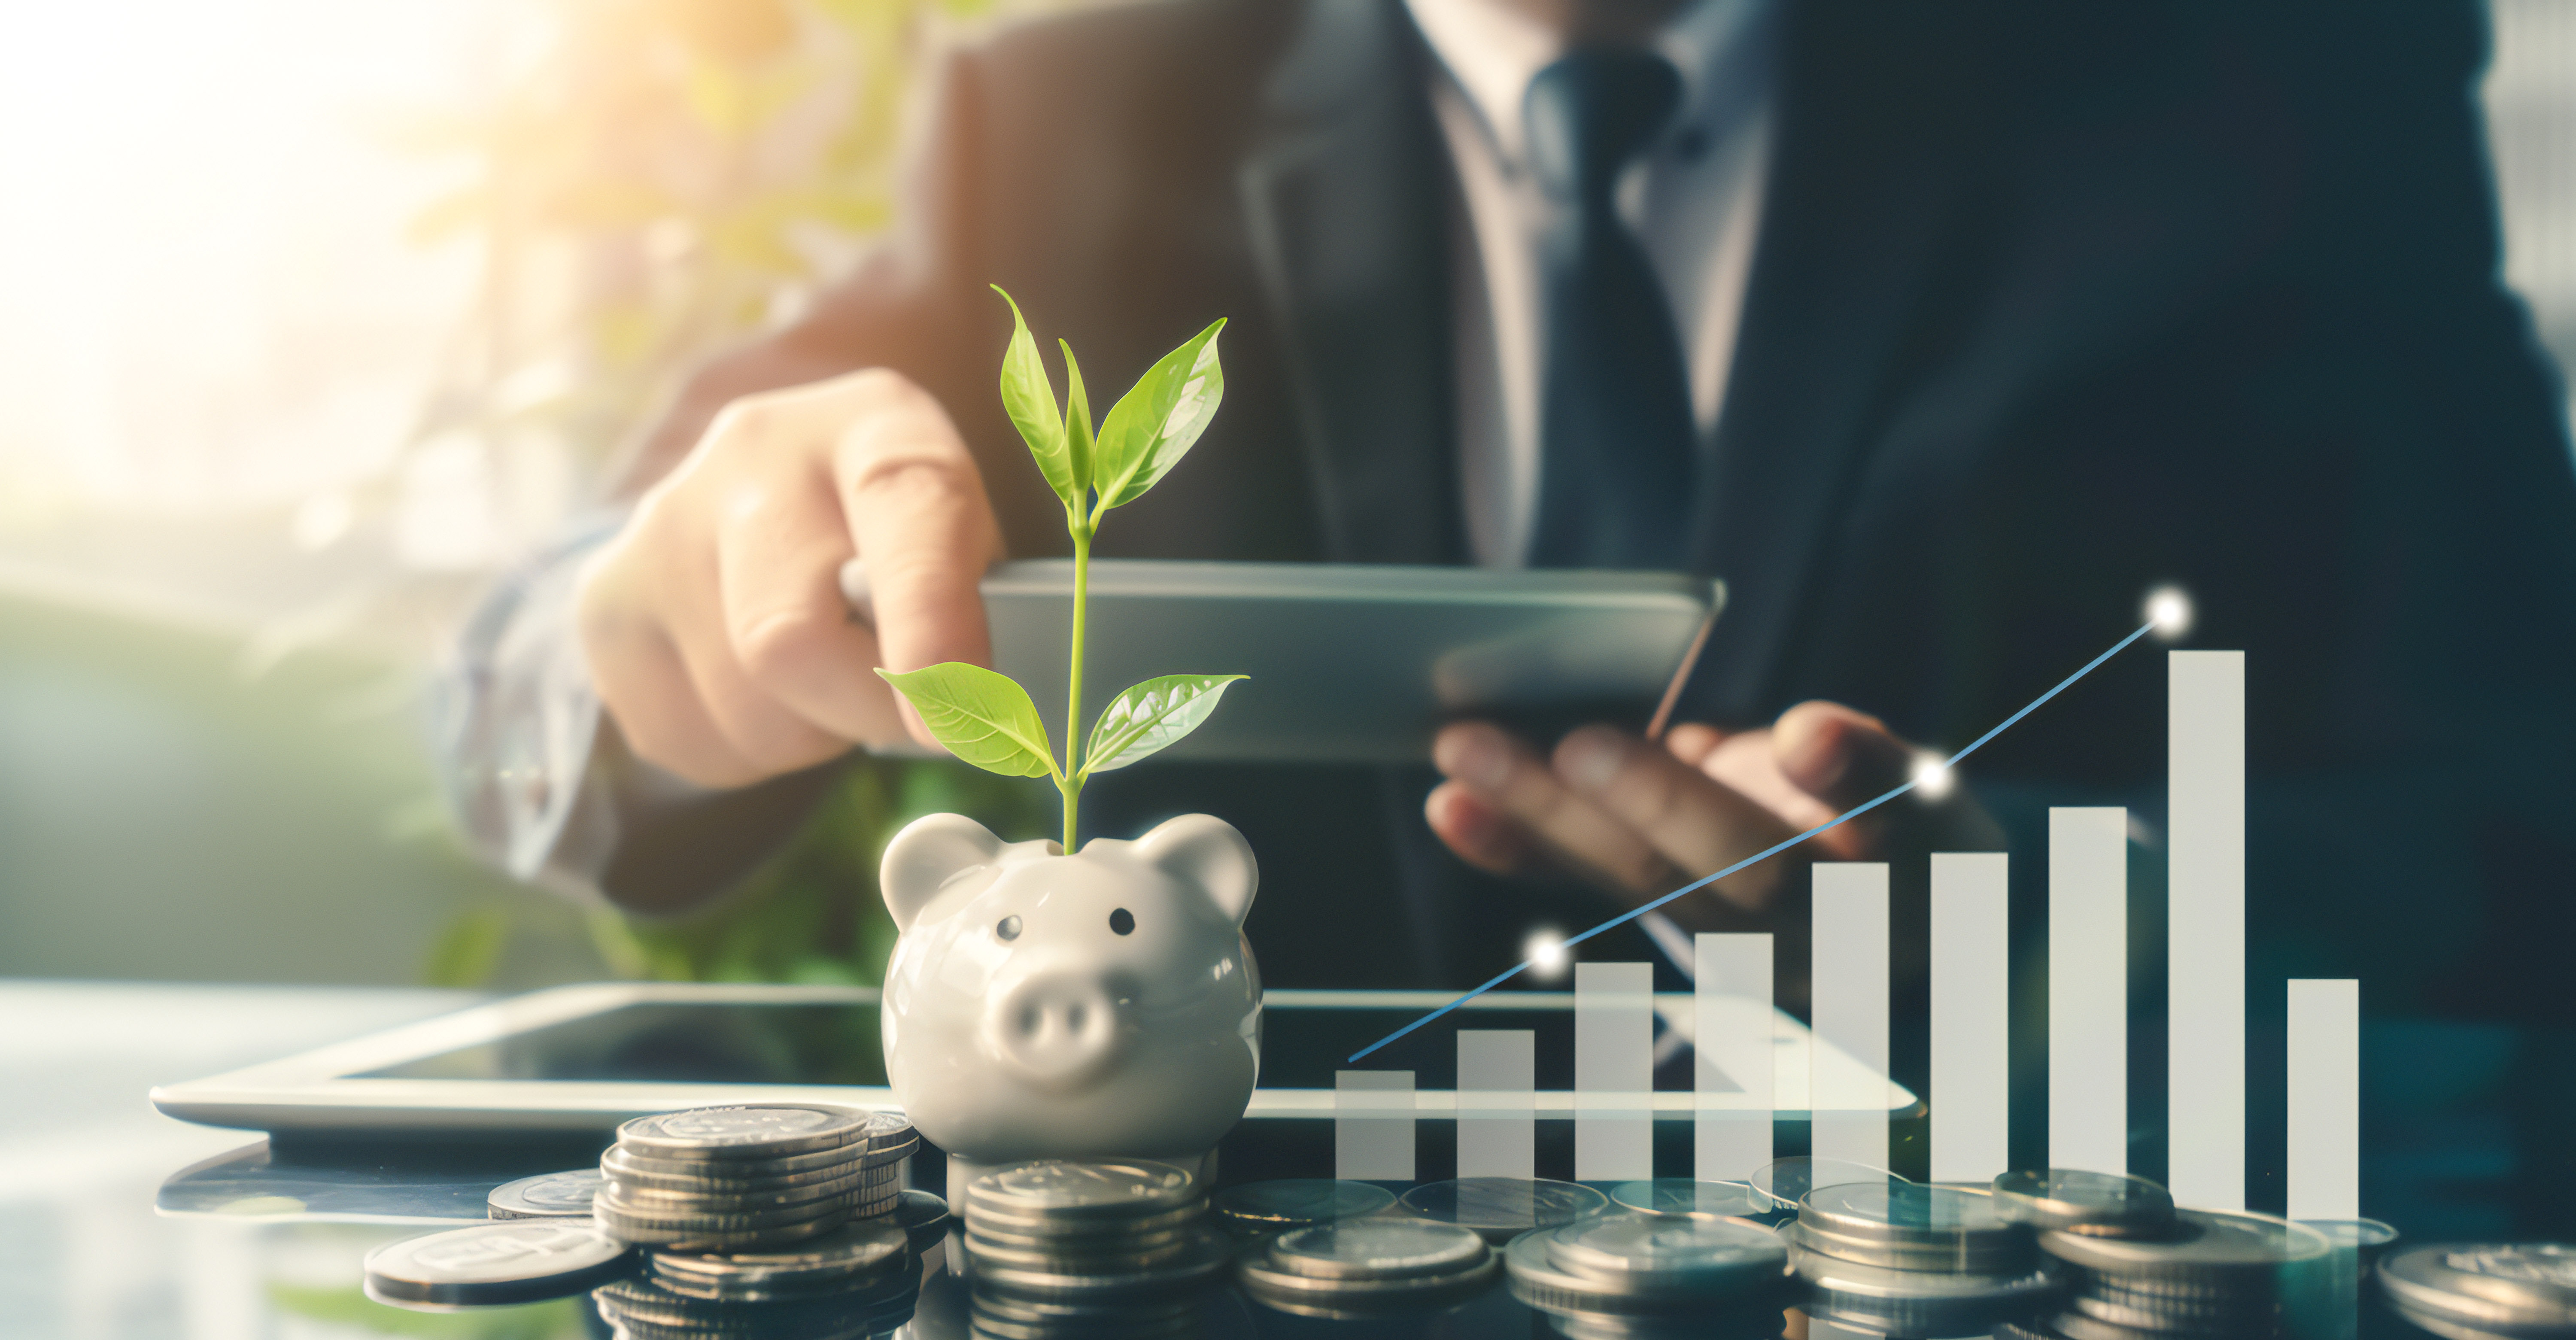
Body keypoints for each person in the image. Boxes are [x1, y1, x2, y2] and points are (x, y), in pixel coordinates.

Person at [445, 0, 2576, 1018]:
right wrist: (639, 654)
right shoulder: (1071, 121)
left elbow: (2521, 812)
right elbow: (535, 678)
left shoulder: (2276, 83)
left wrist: (2044, 913)